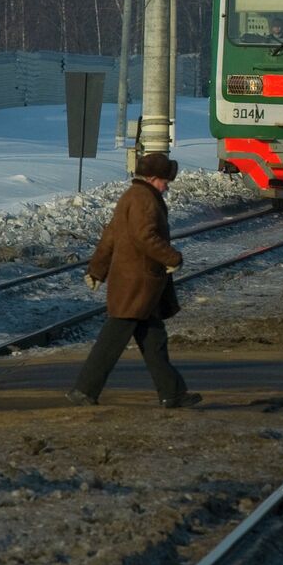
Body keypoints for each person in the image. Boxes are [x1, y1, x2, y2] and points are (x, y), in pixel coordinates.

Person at [68, 152, 203, 409]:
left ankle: (172, 393)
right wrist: (172, 257)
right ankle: (83, 390)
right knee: (112, 342)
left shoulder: (131, 196)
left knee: (154, 341)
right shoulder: (144, 199)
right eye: (165, 181)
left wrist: (97, 269)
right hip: (138, 284)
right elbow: (145, 237)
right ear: (153, 179)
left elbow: (111, 236)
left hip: (139, 285)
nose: (167, 186)